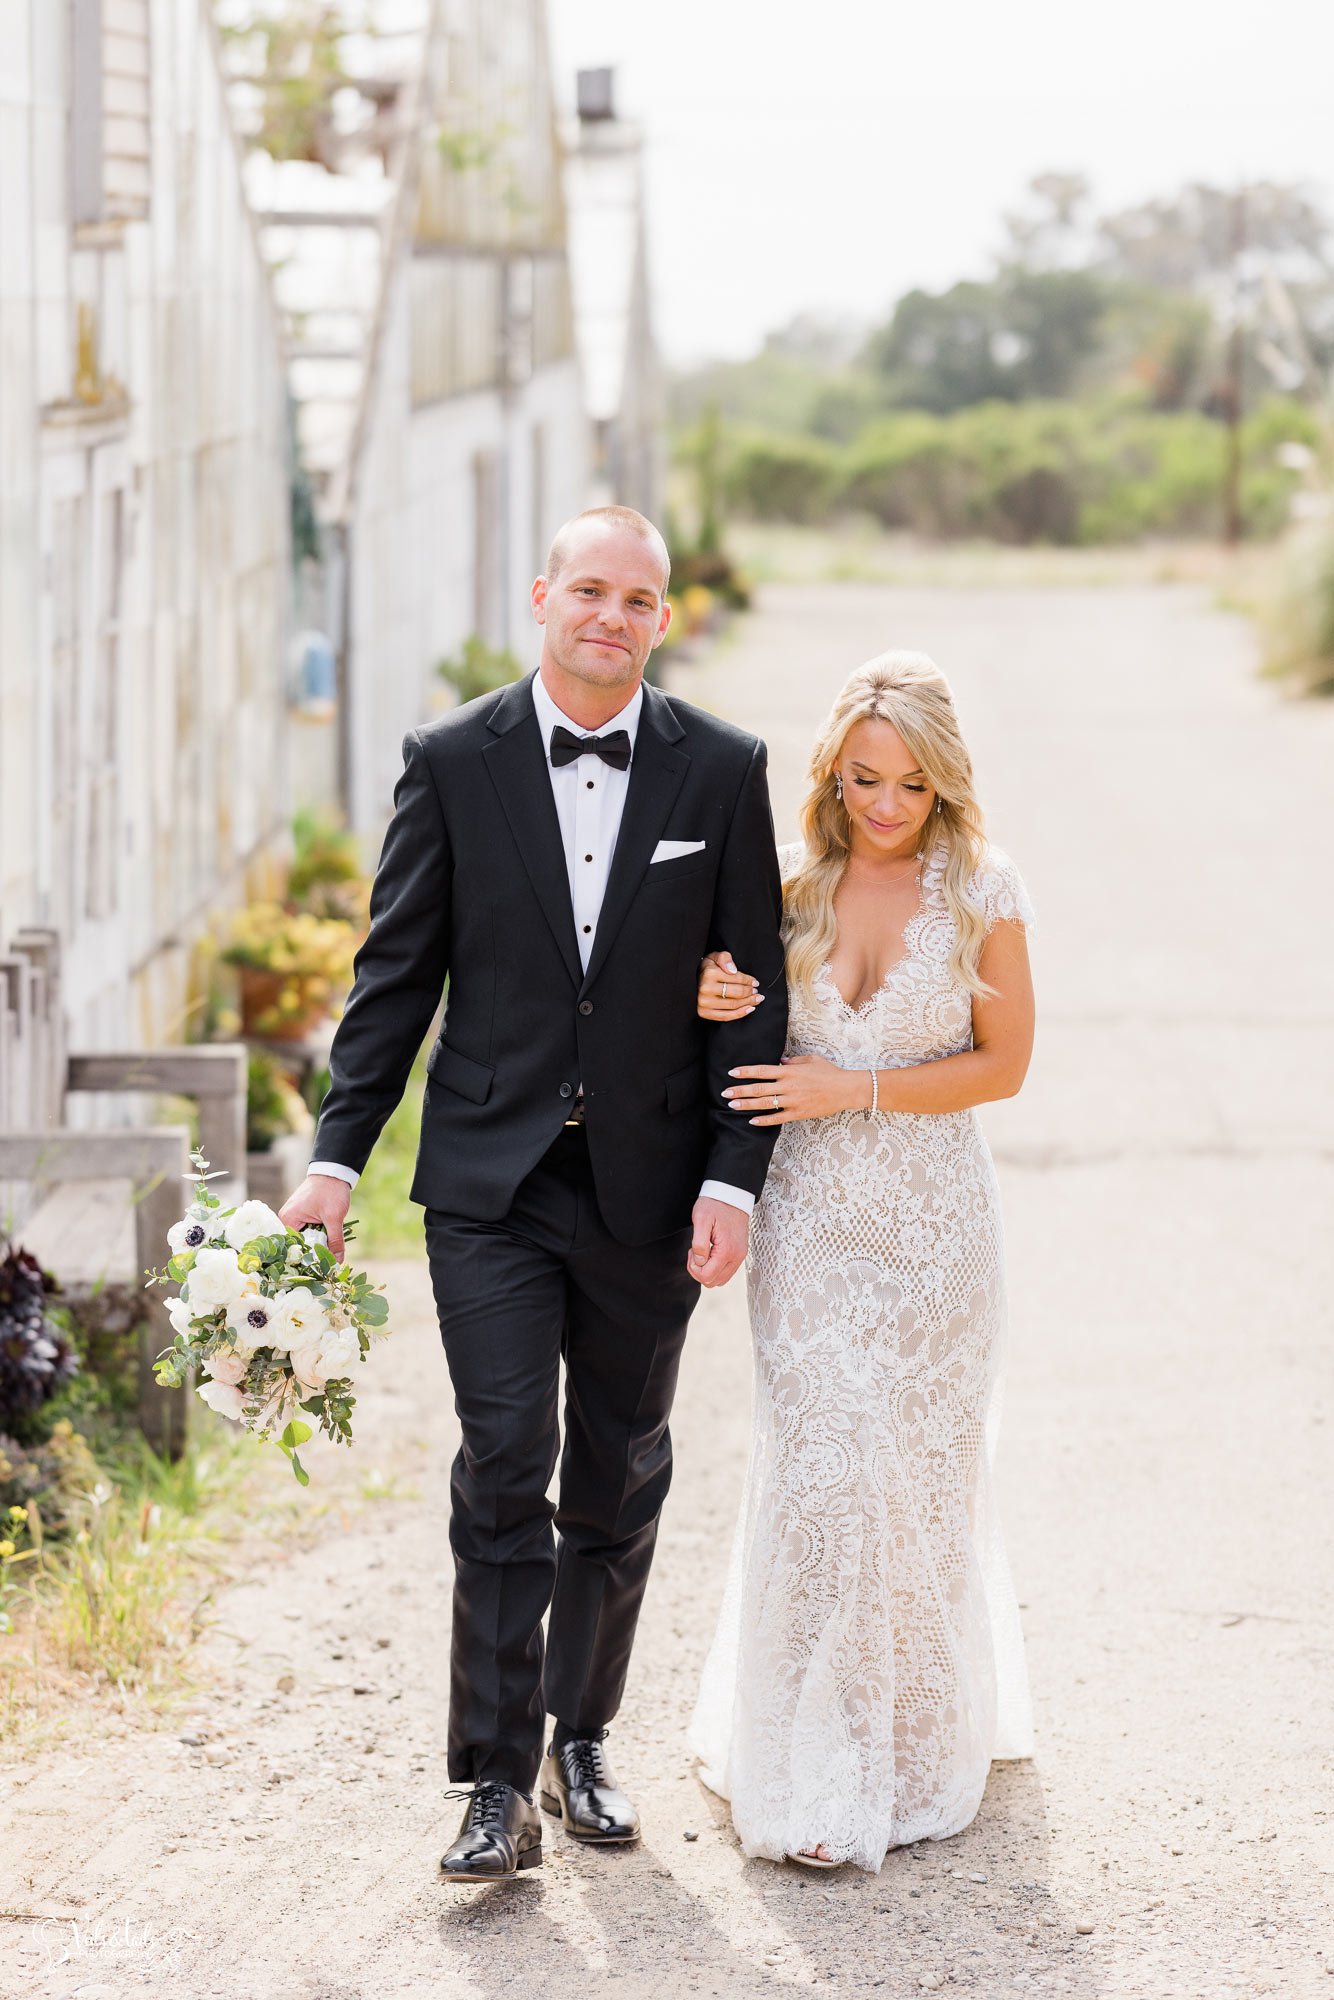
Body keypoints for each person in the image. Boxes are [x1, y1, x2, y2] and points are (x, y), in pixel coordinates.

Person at [279, 507, 788, 1883]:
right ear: (540, 597)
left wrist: (734, 1180)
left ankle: (581, 1738)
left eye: (636, 597)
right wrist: (335, 1159)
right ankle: (493, 1780)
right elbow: (394, 978)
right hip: (487, 1185)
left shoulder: (720, 769)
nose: (608, 616)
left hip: (650, 1184)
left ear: (662, 618)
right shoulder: (451, 760)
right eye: (586, 590)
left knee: (617, 1466)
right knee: (506, 1456)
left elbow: (755, 999)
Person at [688, 651, 1036, 1872]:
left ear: (942, 783)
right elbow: (733, 1042)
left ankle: (910, 1737)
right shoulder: (786, 892)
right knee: (825, 1464)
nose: (880, 805)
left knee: (913, 1483)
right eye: (857, 780)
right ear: (830, 777)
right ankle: (814, 1753)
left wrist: (861, 1085)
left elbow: (1003, 1065)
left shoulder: (982, 890)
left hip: (936, 1232)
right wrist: (720, 991)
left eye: (905, 785)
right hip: (808, 1225)